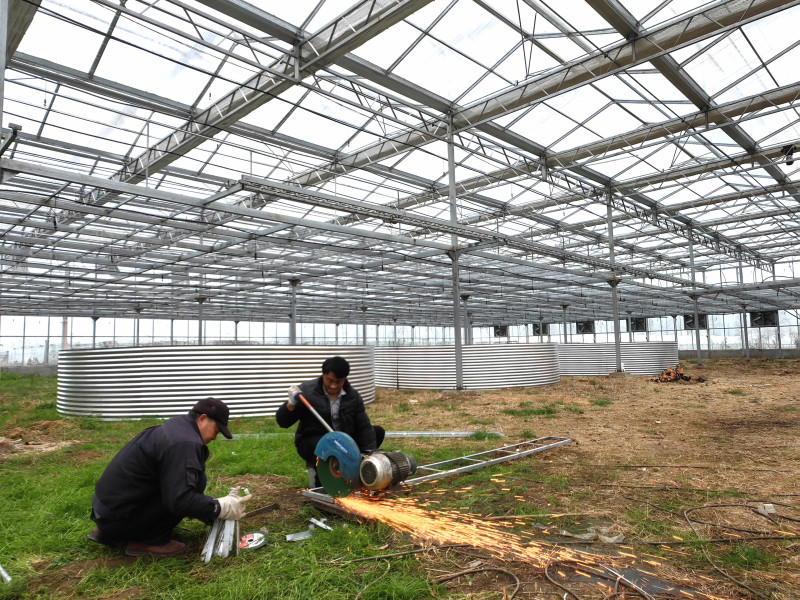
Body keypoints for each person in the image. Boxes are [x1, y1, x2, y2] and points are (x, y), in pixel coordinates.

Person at [88, 397, 252, 557]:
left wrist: (207, 512)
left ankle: (108, 530)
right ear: (202, 418)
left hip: (105, 511)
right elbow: (180, 500)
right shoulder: (185, 443)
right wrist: (217, 507)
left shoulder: (176, 427)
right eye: (216, 430)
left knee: (190, 480)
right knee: (195, 483)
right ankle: (150, 541)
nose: (215, 437)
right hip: (118, 519)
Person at [276, 356, 384, 486]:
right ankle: (324, 483)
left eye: (338, 382)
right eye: (329, 380)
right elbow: (283, 422)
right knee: (326, 444)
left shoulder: (353, 397)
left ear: (345, 379)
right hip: (313, 441)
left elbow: (363, 427)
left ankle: (359, 471)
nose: (333, 386)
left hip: (343, 440)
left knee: (377, 432)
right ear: (323, 375)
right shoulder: (307, 392)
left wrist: (369, 455)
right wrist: (291, 403)